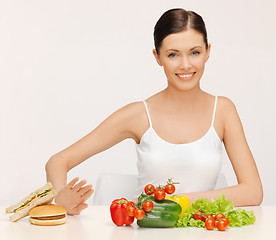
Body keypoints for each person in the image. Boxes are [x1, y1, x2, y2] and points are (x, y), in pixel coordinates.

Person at [45, 8, 263, 215]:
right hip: (148, 230)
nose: (185, 65)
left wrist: (178, 202)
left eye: (194, 52)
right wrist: (60, 200)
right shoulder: (139, 115)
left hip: (202, 231)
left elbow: (253, 191)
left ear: (208, 52)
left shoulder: (223, 110)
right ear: (157, 57)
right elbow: (57, 161)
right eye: (173, 55)